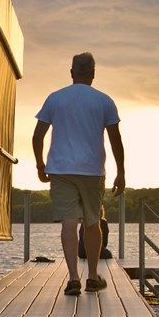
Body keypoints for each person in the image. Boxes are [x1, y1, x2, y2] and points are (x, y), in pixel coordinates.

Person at [32, 51, 125, 296]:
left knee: (69, 223)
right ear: (93, 74)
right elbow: (116, 140)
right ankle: (92, 276)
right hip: (92, 170)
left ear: (72, 72)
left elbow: (37, 136)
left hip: (61, 169)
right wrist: (121, 171)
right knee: (93, 222)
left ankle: (73, 278)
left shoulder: (55, 99)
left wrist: (40, 165)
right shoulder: (104, 101)